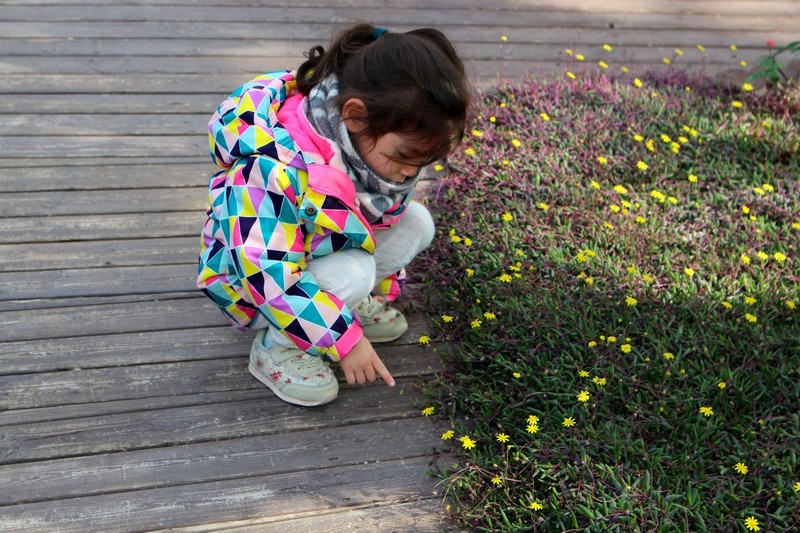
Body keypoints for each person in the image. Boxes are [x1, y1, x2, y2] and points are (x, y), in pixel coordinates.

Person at [197, 23, 470, 406]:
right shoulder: (271, 170)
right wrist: (345, 339)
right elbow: (266, 272)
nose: (411, 172)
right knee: (354, 272)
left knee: (417, 223)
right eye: (405, 157)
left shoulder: (356, 146)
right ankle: (277, 348)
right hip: (252, 289)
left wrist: (378, 286)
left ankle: (346, 301)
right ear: (355, 116)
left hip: (314, 252)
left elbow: (375, 222)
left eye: (424, 162)